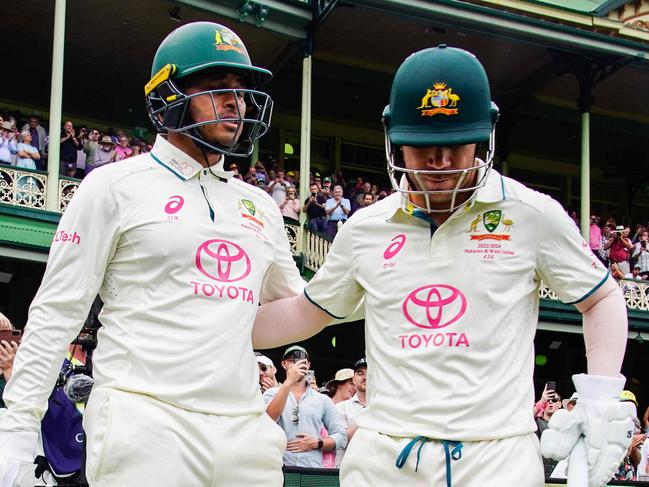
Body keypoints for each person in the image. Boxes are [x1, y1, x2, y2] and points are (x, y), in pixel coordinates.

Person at [252, 45, 634, 487]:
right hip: (386, 456)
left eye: (455, 144)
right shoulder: (366, 227)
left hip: (496, 455)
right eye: (423, 145)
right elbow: (306, 311)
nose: (439, 161)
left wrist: (601, 398)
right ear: (394, 136)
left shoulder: (532, 214)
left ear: (485, 134)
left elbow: (602, 295)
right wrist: (211, 324)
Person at [0, 21, 303, 487]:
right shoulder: (113, 186)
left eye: (240, 92)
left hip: (243, 429)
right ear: (168, 96)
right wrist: (18, 424)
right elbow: (58, 310)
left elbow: (296, 307)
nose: (234, 104)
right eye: (216, 88)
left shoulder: (260, 205)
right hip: (144, 422)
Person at [263, 346, 347, 468]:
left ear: (308, 365)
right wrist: (288, 382)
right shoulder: (271, 393)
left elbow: (341, 437)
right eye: (291, 360)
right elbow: (268, 420)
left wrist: (317, 443)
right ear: (283, 364)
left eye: (301, 360)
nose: (296, 364)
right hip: (279, 468)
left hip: (311, 468)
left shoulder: (322, 400)